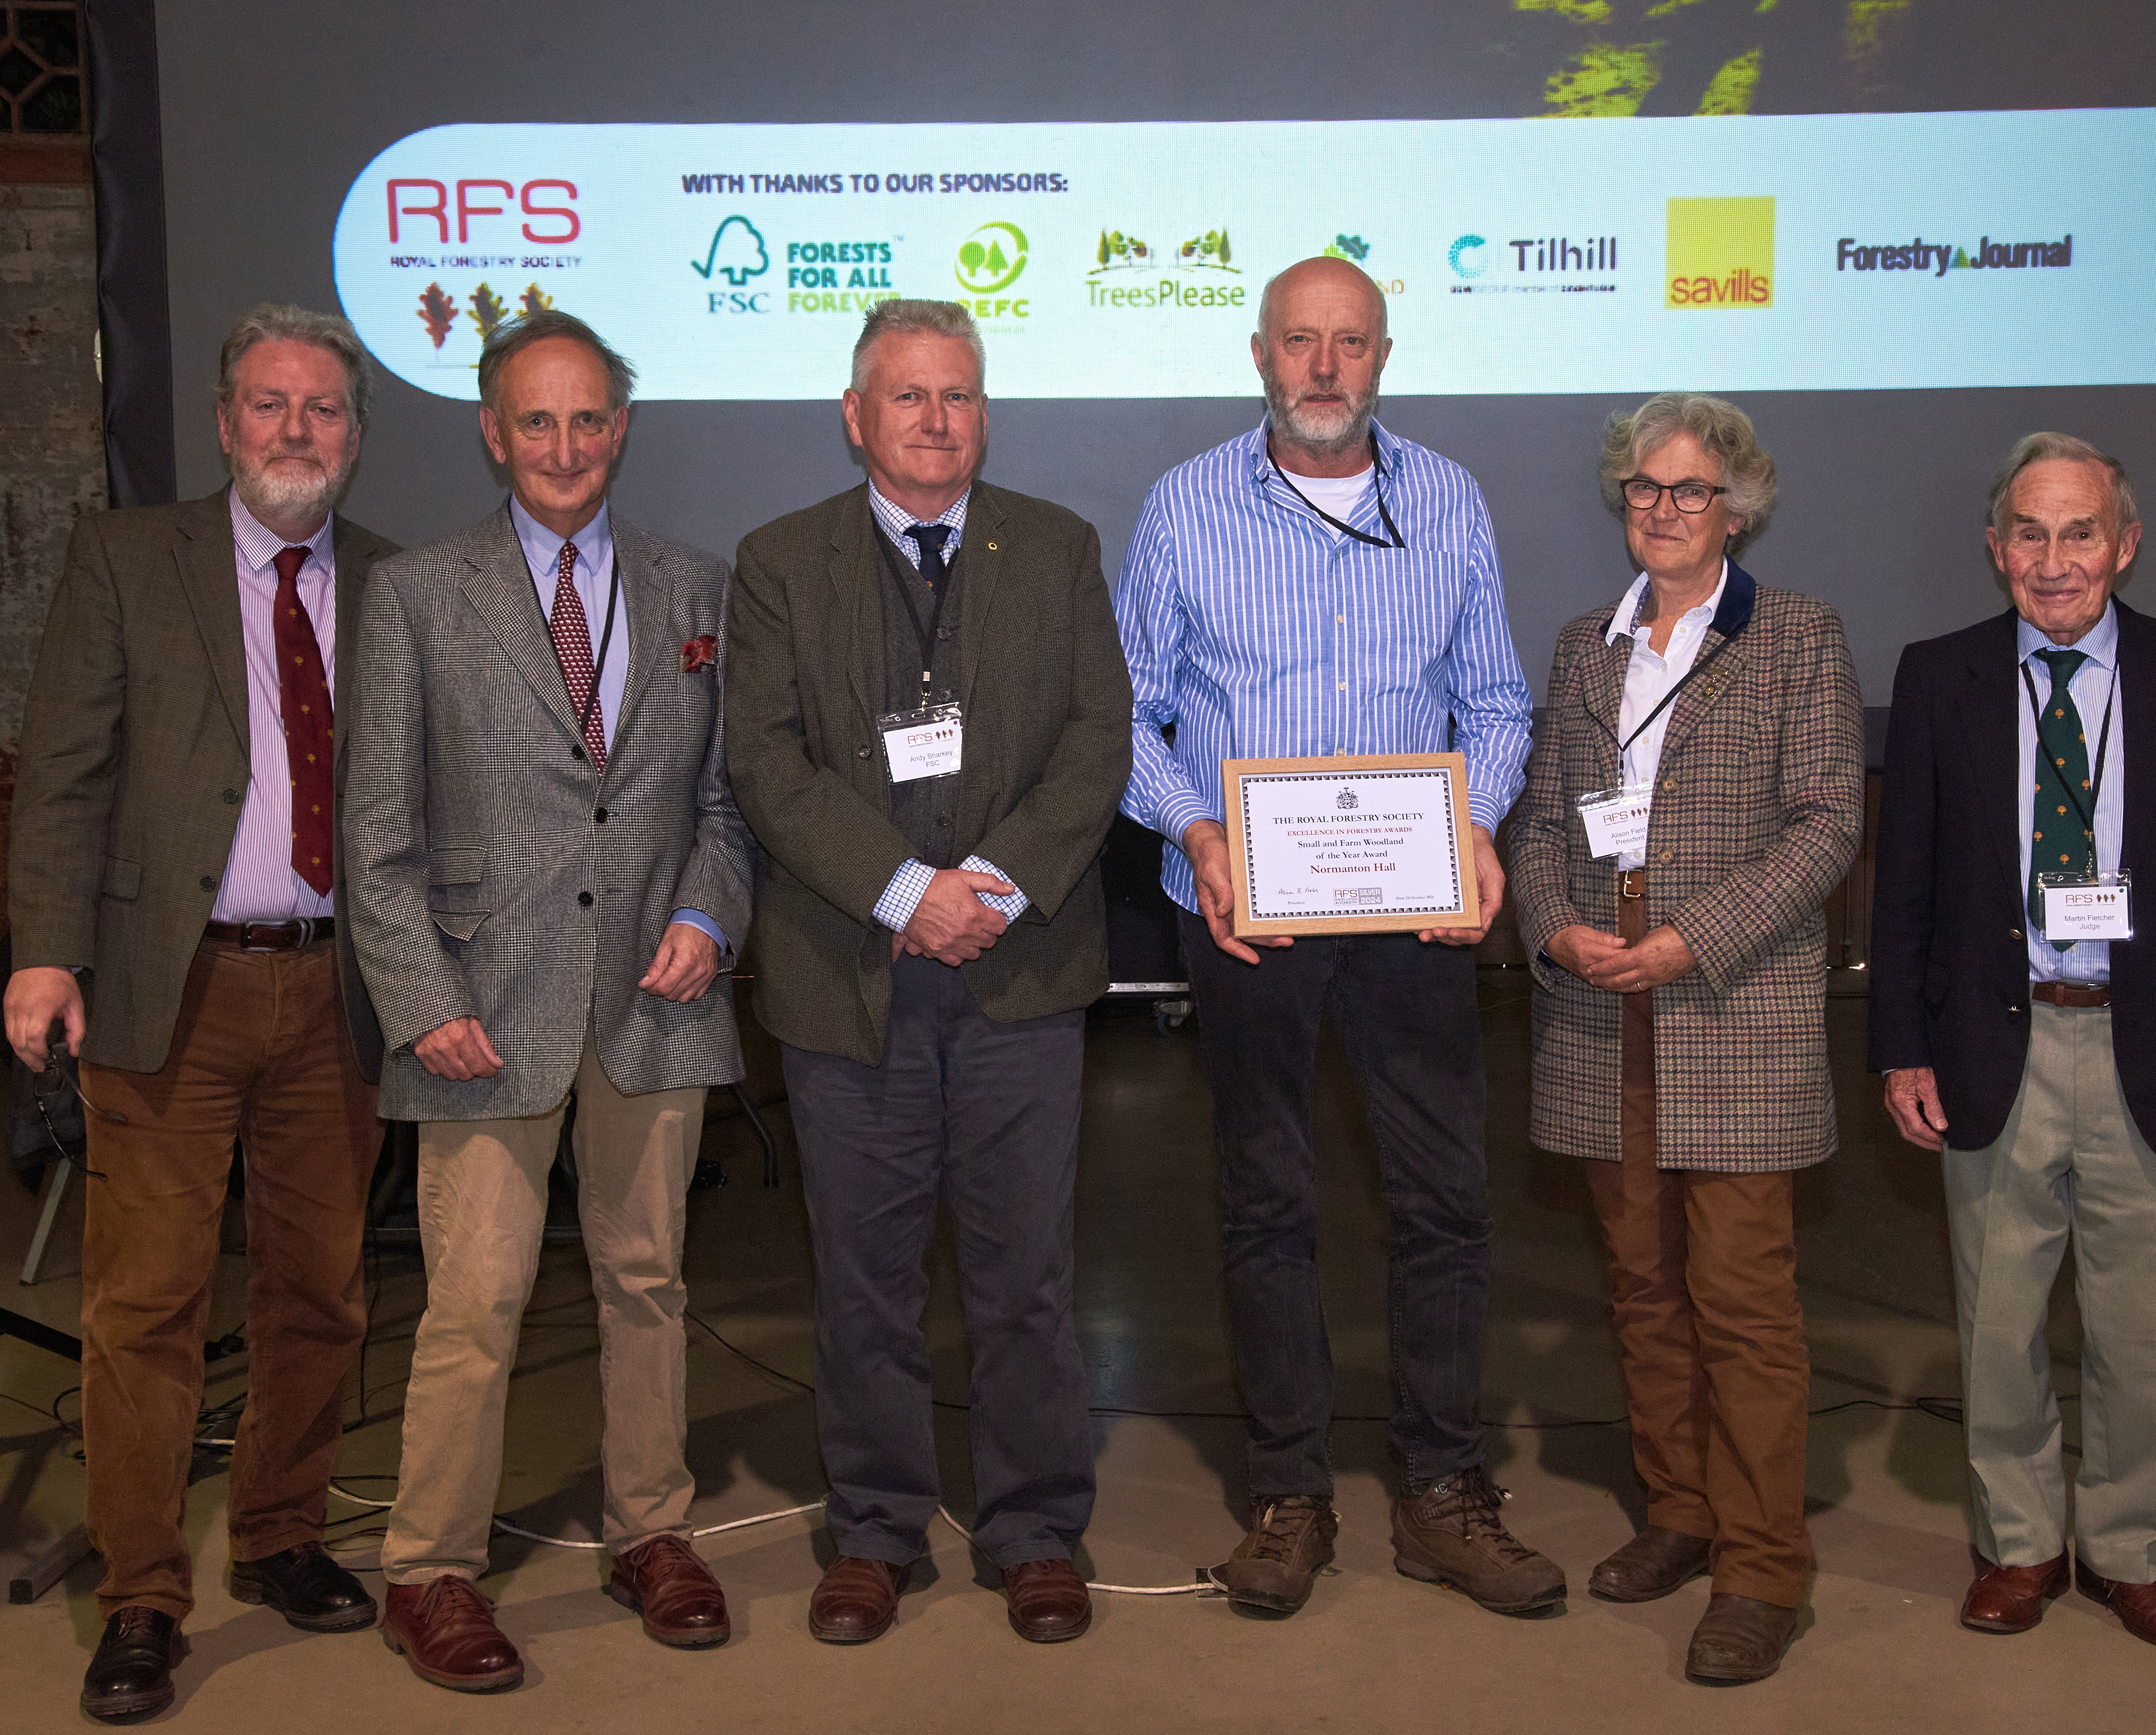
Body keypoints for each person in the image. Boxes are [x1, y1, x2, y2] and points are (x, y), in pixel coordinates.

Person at [1113, 255, 1555, 1618]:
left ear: (1382, 355)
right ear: (1259, 353)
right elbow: (1128, 713)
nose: (1324, 367)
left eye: (1349, 343)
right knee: (1267, 1204)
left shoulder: (1451, 500)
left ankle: (1439, 1490)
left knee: (1443, 1205)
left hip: (1415, 913)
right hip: (1247, 917)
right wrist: (1197, 837)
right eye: (1300, 341)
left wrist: (1475, 824)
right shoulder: (1185, 507)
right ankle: (1289, 1493)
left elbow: (1494, 701)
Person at [343, 309, 752, 1690]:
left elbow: (721, 803)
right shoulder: (414, 594)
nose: (565, 446)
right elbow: (374, 833)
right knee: (476, 1302)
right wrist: (420, 998)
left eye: (590, 421)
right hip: (482, 1016)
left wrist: (707, 913)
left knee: (649, 1284)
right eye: (538, 420)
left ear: (621, 430)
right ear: (490, 431)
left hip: (655, 997)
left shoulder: (696, 589)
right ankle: (432, 1568)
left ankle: (651, 1533)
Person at [5, 305, 398, 1723]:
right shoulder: (127, 561)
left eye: (325, 409)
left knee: (322, 1289)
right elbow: (62, 770)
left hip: (339, 987)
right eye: (270, 404)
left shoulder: (399, 583)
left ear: (357, 434)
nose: (298, 430)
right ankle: (143, 1592)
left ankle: (285, 1531)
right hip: (174, 985)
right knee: (146, 1303)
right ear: (228, 422)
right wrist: (45, 954)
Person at [726, 298, 1133, 1646]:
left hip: (1020, 975)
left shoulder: (1060, 549)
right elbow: (767, 760)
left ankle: (1033, 1531)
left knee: (1026, 1281)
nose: (936, 419)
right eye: (908, 397)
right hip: (853, 978)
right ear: (857, 416)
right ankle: (878, 1530)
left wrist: (991, 892)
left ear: (983, 413)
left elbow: (1097, 742)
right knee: (866, 1279)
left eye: (958, 395)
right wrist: (906, 892)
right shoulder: (781, 561)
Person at [1870, 433, 2156, 1653]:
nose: (2056, 562)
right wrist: (1901, 1047)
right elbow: (1906, 895)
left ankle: (2125, 1551)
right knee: (1998, 1327)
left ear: (2126, 544)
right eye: (2031, 535)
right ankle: (2020, 1545)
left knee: (2144, 1332)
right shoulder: (1940, 679)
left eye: (2080, 532)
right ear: (1996, 551)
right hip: (1995, 1047)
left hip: (2151, 1048)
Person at [1507, 394, 1862, 1683]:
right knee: (1643, 1288)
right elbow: (1542, 824)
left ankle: (1764, 1569)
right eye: (1645, 489)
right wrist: (1555, 932)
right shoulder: (1580, 648)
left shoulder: (1799, 638)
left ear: (1740, 505)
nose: (1664, 509)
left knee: (1743, 1302)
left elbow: (1826, 826)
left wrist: (1689, 940)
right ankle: (1680, 1514)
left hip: (1731, 997)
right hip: (1602, 1003)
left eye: (1692, 490)